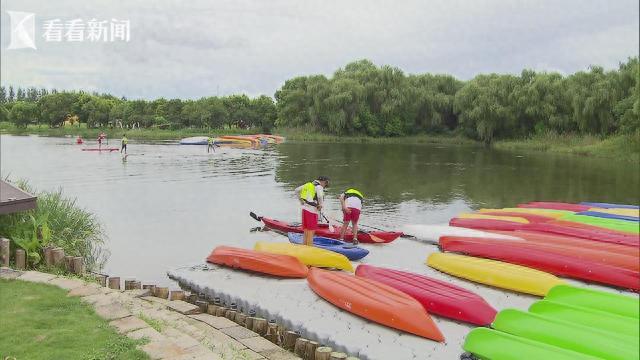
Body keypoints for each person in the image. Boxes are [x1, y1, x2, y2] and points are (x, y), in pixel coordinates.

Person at [295, 176, 330, 246]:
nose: (325, 185)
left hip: (304, 210)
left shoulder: (308, 184)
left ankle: (304, 247)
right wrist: (320, 205)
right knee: (311, 231)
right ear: (323, 181)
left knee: (306, 231)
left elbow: (296, 190)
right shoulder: (319, 187)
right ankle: (310, 248)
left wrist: (301, 201)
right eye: (326, 183)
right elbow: (320, 196)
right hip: (312, 211)